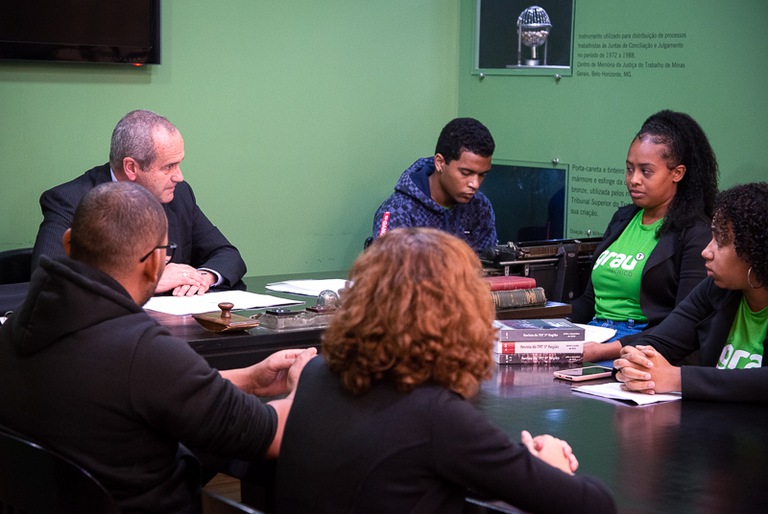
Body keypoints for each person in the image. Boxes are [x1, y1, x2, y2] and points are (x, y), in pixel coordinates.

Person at [0, 182, 316, 513]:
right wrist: (305, 385)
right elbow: (274, 435)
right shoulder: (142, 350)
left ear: (67, 243)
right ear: (155, 265)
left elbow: (141, 390)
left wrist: (249, 379)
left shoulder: (19, 325)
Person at [275, 228, 617, 513]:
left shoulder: (316, 375)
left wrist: (516, 466)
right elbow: (595, 505)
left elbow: (404, 466)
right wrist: (550, 468)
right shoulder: (436, 417)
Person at [31, 109, 246, 296]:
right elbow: (48, 280)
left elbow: (227, 254)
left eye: (178, 164)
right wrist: (145, 282)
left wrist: (202, 278)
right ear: (131, 168)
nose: (179, 177)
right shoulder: (69, 201)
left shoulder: (178, 194)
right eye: (168, 167)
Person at [571, 110, 719, 363]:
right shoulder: (623, 218)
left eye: (645, 171)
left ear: (677, 173)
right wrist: (549, 327)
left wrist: (606, 350)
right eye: (629, 169)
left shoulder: (696, 233)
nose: (633, 180)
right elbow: (588, 301)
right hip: (593, 334)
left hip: (641, 346)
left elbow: (682, 326)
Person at [614, 182, 768, 403]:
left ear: (756, 252)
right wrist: (636, 363)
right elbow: (655, 342)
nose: (706, 251)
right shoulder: (715, 289)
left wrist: (677, 378)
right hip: (714, 421)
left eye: (721, 242)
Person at [371, 117, 498, 252]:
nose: (475, 184)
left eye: (482, 175)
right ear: (440, 163)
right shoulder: (398, 211)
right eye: (466, 173)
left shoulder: (480, 206)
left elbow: (488, 261)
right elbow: (387, 264)